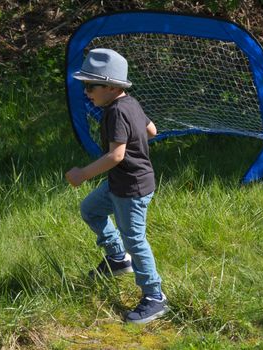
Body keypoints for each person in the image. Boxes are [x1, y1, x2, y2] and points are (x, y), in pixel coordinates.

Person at [65, 48, 168, 324]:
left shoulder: (115, 113)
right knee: (91, 209)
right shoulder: (130, 103)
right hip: (122, 182)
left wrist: (82, 174)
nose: (87, 92)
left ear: (110, 86)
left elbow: (117, 155)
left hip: (131, 189)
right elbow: (152, 130)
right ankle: (117, 258)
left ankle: (154, 297)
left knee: (135, 239)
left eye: (90, 86)